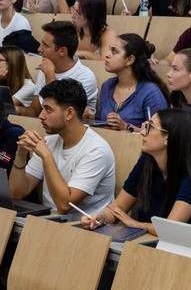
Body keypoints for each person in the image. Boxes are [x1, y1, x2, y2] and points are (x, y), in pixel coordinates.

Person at [80, 108, 191, 237]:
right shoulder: (147, 162)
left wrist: (136, 224)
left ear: (167, 138)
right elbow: (118, 208)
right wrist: (99, 218)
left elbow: (171, 228)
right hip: (146, 240)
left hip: (181, 252)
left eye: (150, 127)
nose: (142, 132)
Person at [10, 78, 116, 214]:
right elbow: (17, 193)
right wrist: (20, 155)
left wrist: (47, 157)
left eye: (48, 110)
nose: (41, 116)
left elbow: (65, 206)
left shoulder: (96, 150)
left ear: (69, 113)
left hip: (86, 227)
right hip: (49, 220)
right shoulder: (50, 141)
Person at [96, 34, 169, 131]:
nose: (107, 55)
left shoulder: (151, 93)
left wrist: (126, 127)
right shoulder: (107, 85)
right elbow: (100, 121)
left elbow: (160, 133)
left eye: (114, 51)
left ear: (130, 60)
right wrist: (90, 118)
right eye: (109, 50)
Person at [24, 20, 98, 115]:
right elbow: (35, 111)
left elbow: (61, 115)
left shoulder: (85, 77)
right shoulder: (46, 68)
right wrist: (15, 110)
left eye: (45, 45)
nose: (39, 49)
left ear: (62, 51)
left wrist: (50, 76)